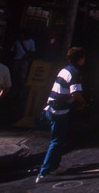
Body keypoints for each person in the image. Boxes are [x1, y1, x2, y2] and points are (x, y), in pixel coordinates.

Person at [36, 47, 86, 184]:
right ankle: (44, 172)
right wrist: (83, 102)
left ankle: (54, 166)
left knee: (58, 139)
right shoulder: (75, 73)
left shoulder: (65, 69)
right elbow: (75, 93)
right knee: (56, 141)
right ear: (80, 59)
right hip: (60, 111)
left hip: (51, 107)